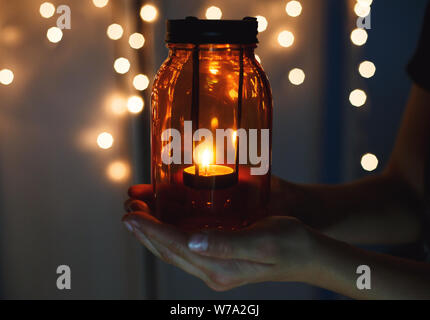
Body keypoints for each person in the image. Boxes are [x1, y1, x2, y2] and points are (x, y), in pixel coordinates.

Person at [122, 4, 430, 299]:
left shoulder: (248, 73)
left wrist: (312, 260)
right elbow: (413, 196)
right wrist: (301, 206)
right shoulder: (171, 76)